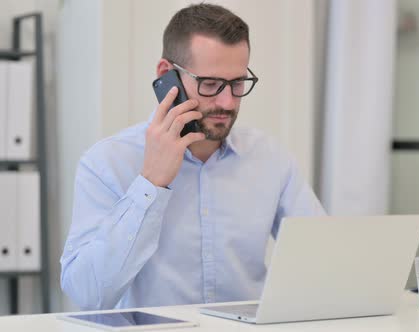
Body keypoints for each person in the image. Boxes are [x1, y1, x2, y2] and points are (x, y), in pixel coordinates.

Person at [60, 3, 325, 310]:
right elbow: (88, 294)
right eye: (210, 84)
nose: (227, 102)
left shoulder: (270, 159)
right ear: (167, 75)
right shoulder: (107, 163)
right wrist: (150, 184)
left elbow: (322, 261)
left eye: (237, 83)